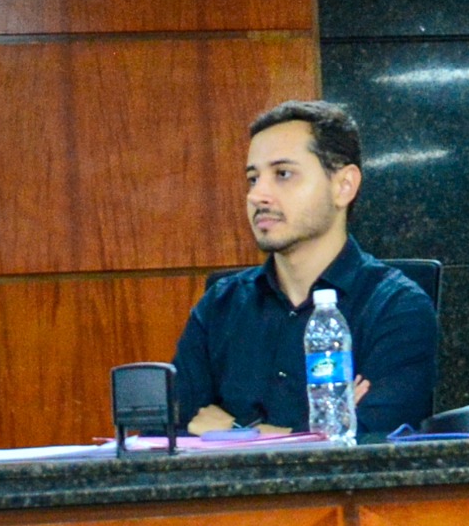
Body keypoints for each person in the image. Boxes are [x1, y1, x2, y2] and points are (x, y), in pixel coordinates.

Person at [166, 99, 442, 435]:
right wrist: (323, 432)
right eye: (253, 179)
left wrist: (236, 432)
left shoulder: (397, 307)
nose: (257, 195)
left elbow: (375, 442)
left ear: (343, 186)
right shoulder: (220, 306)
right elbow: (168, 434)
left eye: (283, 174)